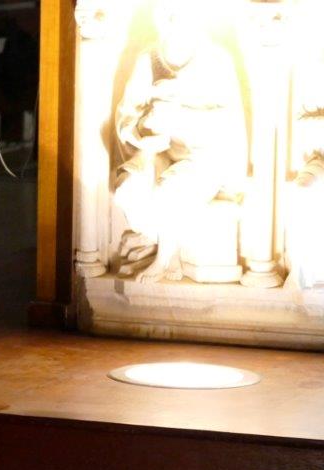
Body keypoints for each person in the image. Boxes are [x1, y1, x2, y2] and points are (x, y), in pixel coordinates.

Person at [113, 1, 246, 282]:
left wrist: (180, 116)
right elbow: (127, 114)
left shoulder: (215, 60)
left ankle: (163, 261)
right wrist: (143, 131)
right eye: (168, 14)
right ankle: (158, 241)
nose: (174, 21)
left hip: (205, 157)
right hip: (157, 151)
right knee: (127, 190)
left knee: (169, 189)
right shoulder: (149, 59)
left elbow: (228, 122)